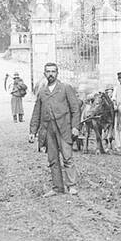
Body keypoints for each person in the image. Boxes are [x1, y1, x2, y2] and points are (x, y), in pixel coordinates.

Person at [28, 62, 81, 196]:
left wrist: (75, 127)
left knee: (67, 158)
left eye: (53, 71)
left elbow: (75, 109)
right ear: (44, 74)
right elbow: (36, 113)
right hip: (48, 130)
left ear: (57, 73)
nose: (51, 74)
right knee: (53, 159)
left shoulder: (65, 88)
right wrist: (32, 131)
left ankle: (71, 186)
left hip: (64, 128)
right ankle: (57, 187)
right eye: (48, 71)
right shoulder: (42, 92)